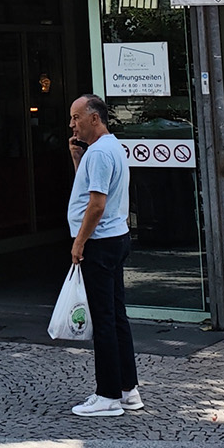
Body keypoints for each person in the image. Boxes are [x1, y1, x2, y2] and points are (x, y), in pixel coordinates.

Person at [66, 94, 139, 418]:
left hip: (100, 243)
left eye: (76, 117)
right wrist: (76, 158)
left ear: (94, 118)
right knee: (117, 316)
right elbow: (91, 188)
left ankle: (107, 395)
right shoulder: (111, 148)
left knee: (104, 320)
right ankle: (128, 389)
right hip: (116, 238)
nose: (72, 124)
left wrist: (79, 243)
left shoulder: (99, 153)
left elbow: (96, 204)